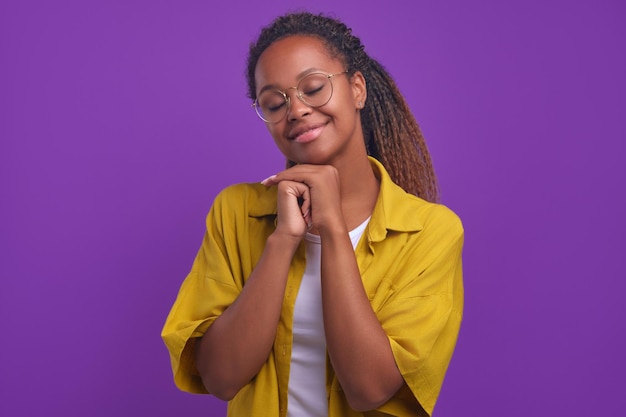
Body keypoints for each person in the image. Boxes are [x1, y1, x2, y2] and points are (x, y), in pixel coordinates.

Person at [162, 11, 464, 417]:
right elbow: (221, 378)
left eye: (314, 87)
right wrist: (283, 240)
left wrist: (333, 229)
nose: (297, 110)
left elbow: (369, 388)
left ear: (357, 89)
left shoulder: (430, 231)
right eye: (274, 102)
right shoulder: (235, 212)